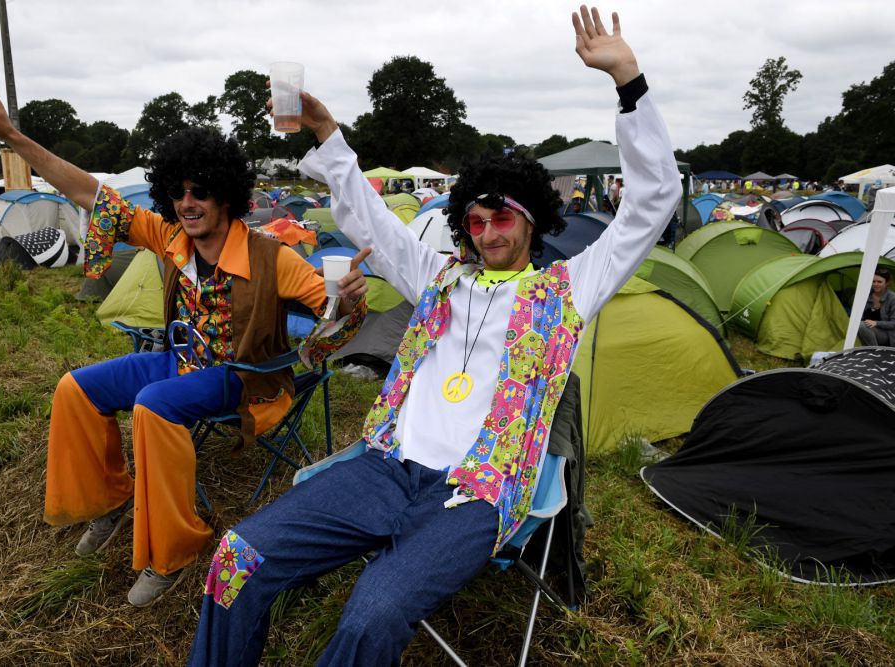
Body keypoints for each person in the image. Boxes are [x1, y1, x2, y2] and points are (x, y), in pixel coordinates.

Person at [187, 6, 681, 665]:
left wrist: (628, 80)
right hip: (385, 467)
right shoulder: (441, 278)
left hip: (475, 493)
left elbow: (654, 199)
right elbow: (372, 221)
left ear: (531, 220)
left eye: (501, 217)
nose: (487, 233)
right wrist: (328, 133)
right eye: (474, 221)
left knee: (373, 611)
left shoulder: (568, 288)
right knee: (235, 556)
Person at [0, 66, 368, 607]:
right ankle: (109, 500)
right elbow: (87, 190)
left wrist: (350, 298)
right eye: (177, 192)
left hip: (242, 377)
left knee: (153, 406)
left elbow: (333, 320)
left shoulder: (276, 259)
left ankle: (173, 548)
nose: (187, 202)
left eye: (200, 191)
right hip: (181, 362)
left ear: (226, 193)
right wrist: (13, 138)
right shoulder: (169, 236)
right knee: (75, 388)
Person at [858, 268, 895, 347]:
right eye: (873, 281)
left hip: (887, 334)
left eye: (879, 282)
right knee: (857, 326)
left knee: (861, 326)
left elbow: (893, 323)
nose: (876, 284)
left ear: (887, 283)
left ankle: (875, 352)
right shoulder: (865, 295)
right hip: (867, 331)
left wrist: (876, 323)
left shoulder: (892, 298)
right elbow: (858, 317)